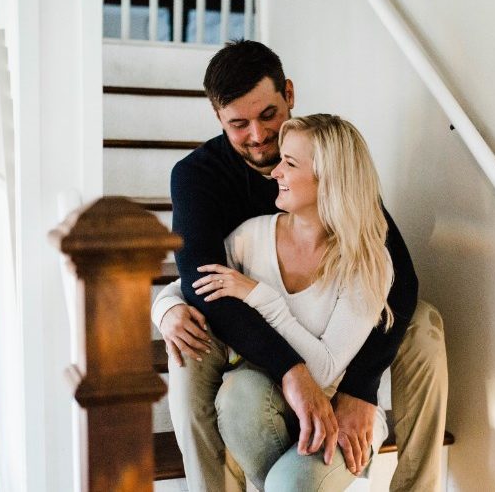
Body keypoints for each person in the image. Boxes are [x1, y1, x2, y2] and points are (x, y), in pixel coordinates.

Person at [152, 40, 448, 491]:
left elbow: (399, 280)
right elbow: (200, 282)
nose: (257, 135)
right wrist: (292, 371)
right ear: (218, 118)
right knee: (188, 344)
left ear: (288, 94)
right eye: (238, 123)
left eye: (268, 115)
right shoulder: (199, 177)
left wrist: (360, 389)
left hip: (333, 334)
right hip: (249, 334)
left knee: (424, 323)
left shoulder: (326, 158)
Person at [156, 114, 395, 490]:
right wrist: (166, 311)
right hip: (269, 403)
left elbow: (326, 369)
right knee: (236, 394)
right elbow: (191, 285)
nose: (274, 172)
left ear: (328, 179)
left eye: (291, 163)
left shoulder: (367, 261)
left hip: (339, 414)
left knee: (288, 484)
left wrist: (259, 296)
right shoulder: (253, 236)